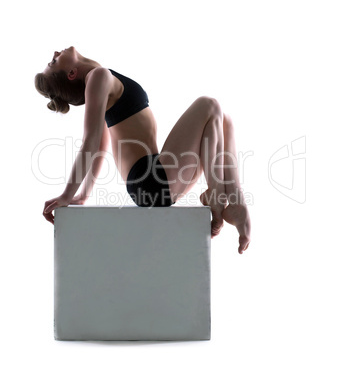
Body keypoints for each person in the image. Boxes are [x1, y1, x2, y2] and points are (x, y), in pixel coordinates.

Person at [35, 46, 251, 254]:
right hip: (150, 179)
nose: (55, 53)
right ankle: (218, 196)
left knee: (225, 120)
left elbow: (101, 145)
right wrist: (67, 195)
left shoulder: (100, 79)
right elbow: (91, 142)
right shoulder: (98, 76)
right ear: (72, 73)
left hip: (156, 180)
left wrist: (83, 195)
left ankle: (235, 203)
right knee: (208, 104)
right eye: (54, 62)